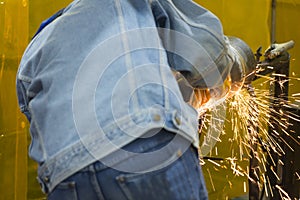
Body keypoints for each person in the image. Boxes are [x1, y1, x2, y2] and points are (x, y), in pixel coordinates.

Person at [16, 0, 246, 199]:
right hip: (142, 146)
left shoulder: (37, 46)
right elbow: (207, 61)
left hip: (65, 176)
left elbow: (33, 113)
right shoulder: (122, 5)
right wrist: (234, 61)